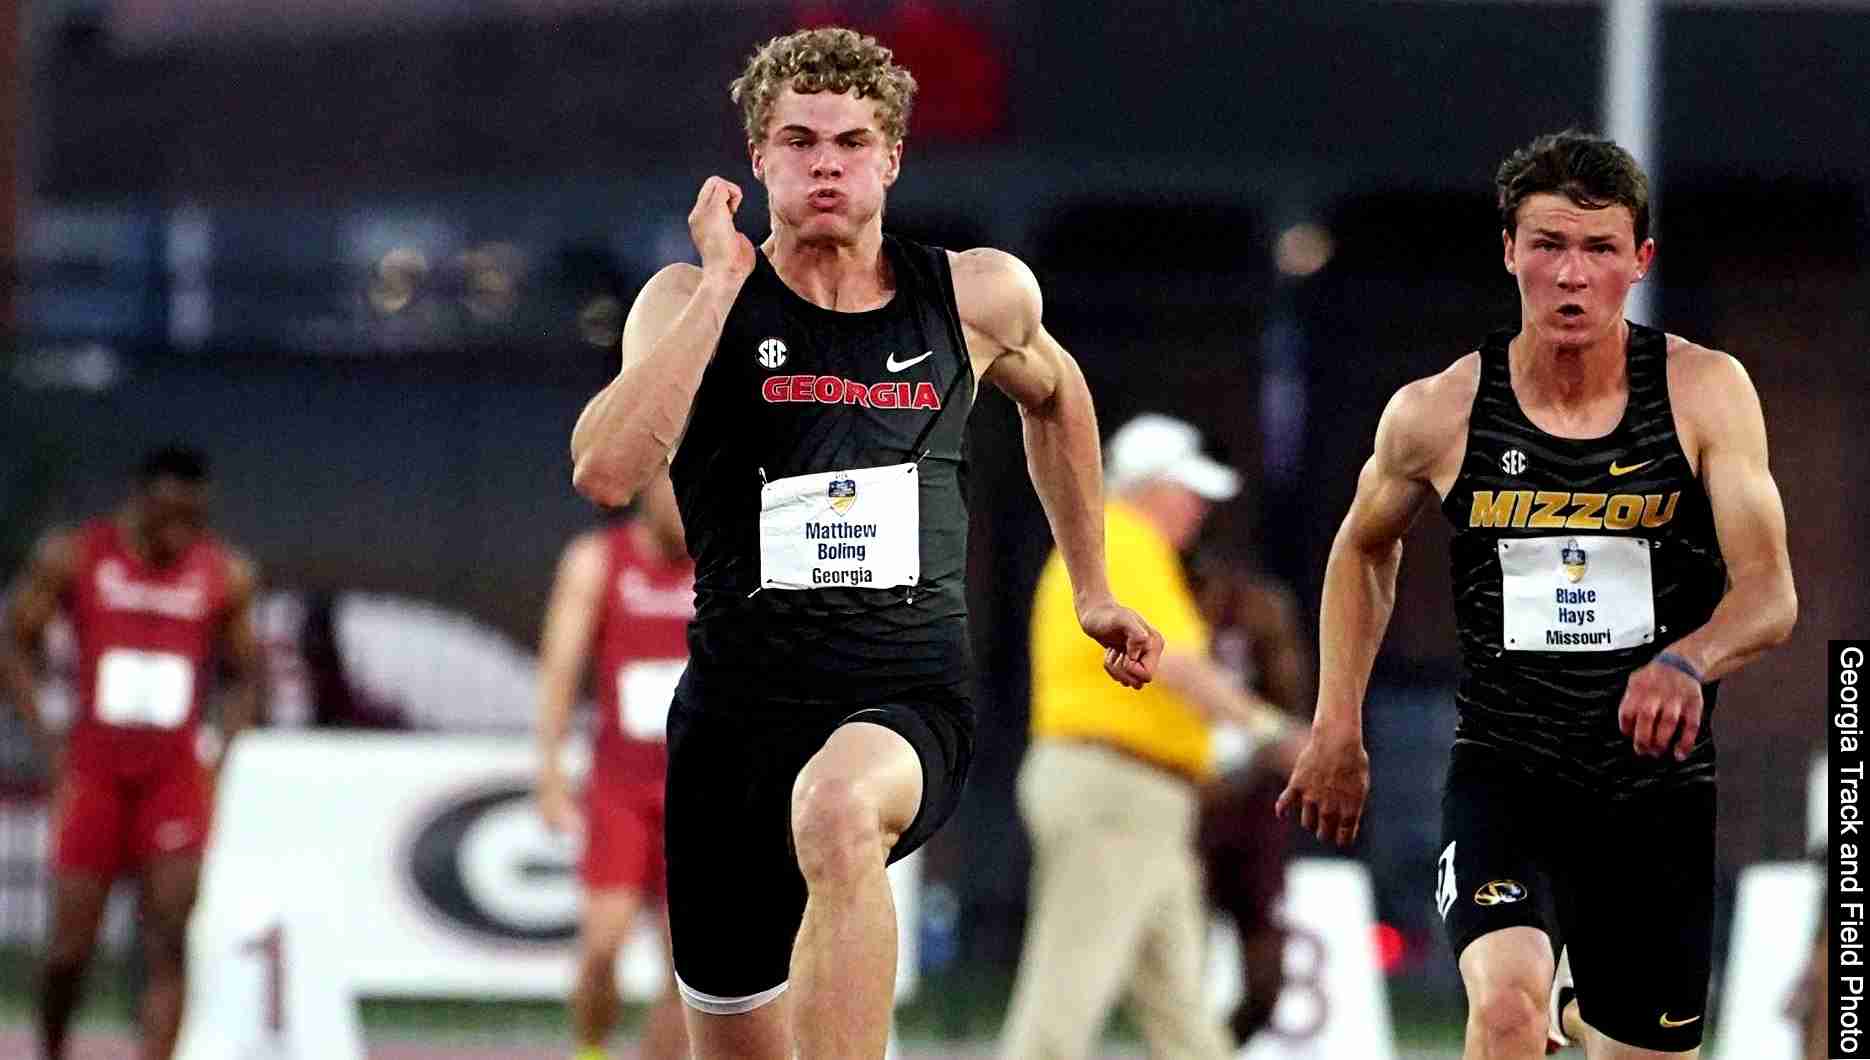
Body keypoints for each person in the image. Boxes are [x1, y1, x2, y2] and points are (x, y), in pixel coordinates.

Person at [566, 26, 1164, 1060]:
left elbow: (1057, 397)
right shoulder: (686, 301)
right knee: (735, 1031)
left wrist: (1092, 582)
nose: (826, 162)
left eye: (851, 140)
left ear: (892, 157)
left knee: (841, 810)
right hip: (734, 721)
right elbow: (608, 472)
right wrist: (717, 287)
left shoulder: (975, 295)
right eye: (798, 140)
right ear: (758, 160)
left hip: (903, 693)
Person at [1276, 129, 1798, 1060]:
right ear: (1509, 249)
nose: (1571, 275)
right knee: (1504, 1010)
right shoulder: (1437, 411)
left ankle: (1584, 1017)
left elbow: (1769, 595)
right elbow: (1362, 550)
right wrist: (1335, 722)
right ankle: (1544, 1008)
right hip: (1504, 770)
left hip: (1655, 787)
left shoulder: (1704, 394)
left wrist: (1687, 659)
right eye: (1549, 245)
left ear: (1639, 262)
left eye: (1599, 249)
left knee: (1634, 1048)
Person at [1001, 413, 1302, 1060]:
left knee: (1182, 1011)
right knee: (1065, 993)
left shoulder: (1123, 549)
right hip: (1115, 791)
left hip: (1142, 800)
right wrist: (1271, 731)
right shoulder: (1119, 540)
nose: (1198, 508)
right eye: (1188, 490)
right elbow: (1178, 665)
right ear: (1147, 485)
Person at [0, 446, 265, 1060]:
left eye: (195, 518)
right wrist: (48, 736)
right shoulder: (76, 557)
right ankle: (53, 1046)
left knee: (169, 937)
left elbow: (246, 674)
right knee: (71, 944)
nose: (182, 532)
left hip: (172, 776)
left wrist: (220, 751)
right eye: (171, 515)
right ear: (139, 500)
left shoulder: (222, 574)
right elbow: (14, 643)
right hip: (93, 772)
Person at [535, 468, 692, 1060]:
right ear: (645, 487)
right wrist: (550, 774)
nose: (685, 503)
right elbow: (558, 671)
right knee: (602, 943)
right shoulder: (597, 562)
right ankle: (591, 1049)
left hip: (698, 794)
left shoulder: (726, 561)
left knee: (689, 968)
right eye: (674, 486)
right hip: (621, 787)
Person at [1189, 554, 1311, 1045]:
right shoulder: (1153, 601)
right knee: (1173, 966)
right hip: (1182, 805)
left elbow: (1288, 712)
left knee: (1266, 976)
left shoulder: (1261, 613)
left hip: (1250, 809)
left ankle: (1213, 1050)